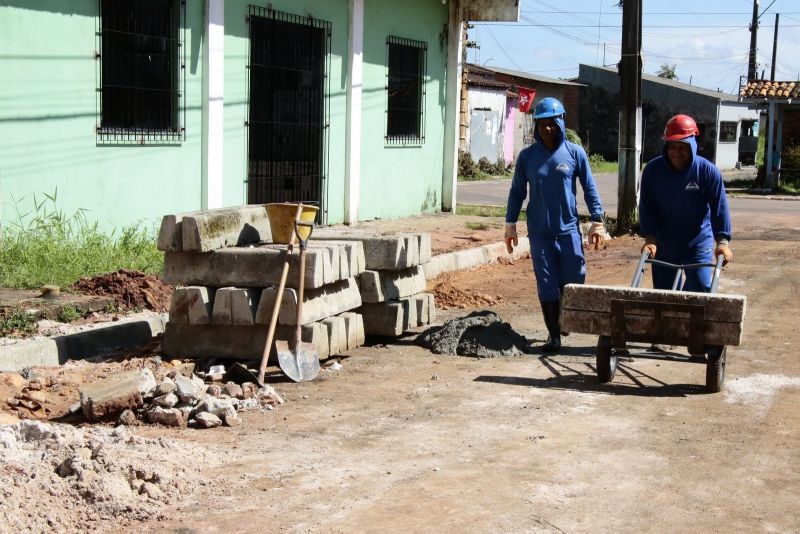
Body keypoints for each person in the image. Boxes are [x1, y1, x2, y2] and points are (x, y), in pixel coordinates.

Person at [504, 97, 607, 352]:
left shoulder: (575, 153)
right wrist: (510, 224)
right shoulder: (528, 157)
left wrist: (597, 220)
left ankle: (563, 316)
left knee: (574, 276)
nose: (546, 129)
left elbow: (589, 188)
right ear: (536, 127)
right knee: (546, 281)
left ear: (561, 123)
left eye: (551, 124)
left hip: (568, 229)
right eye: (541, 125)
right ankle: (554, 335)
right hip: (539, 232)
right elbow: (517, 192)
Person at [639, 114, 733, 293]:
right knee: (664, 295)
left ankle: (696, 319)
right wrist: (650, 238)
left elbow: (719, 208)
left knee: (701, 289)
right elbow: (647, 207)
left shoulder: (707, 172)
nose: (677, 153)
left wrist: (722, 241)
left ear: (693, 145)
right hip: (664, 243)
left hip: (697, 243)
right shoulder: (653, 171)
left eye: (683, 147)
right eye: (672, 147)